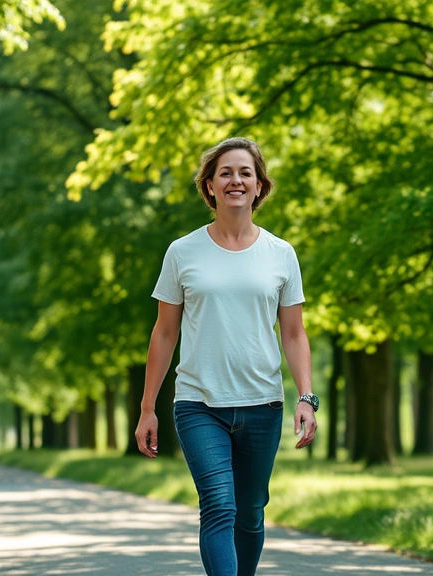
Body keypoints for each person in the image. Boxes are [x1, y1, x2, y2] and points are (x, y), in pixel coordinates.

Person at [135, 137, 317, 576]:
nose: (236, 180)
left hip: (262, 403)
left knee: (251, 512)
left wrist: (306, 397)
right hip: (198, 403)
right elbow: (164, 332)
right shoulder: (182, 252)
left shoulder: (281, 254)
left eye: (245, 173)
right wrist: (147, 409)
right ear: (210, 186)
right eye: (226, 173)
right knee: (219, 506)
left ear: (259, 187)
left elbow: (293, 333)